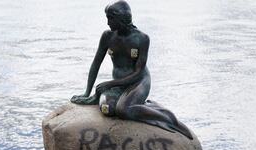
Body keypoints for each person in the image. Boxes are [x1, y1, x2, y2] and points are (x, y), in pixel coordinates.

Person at [71, 0, 192, 139]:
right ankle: (140, 106)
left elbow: (138, 72)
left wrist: (110, 84)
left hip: (139, 82)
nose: (108, 22)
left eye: (110, 18)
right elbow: (96, 63)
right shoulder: (107, 36)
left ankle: (167, 117)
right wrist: (87, 92)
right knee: (107, 109)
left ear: (122, 18)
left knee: (123, 110)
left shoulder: (142, 38)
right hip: (119, 84)